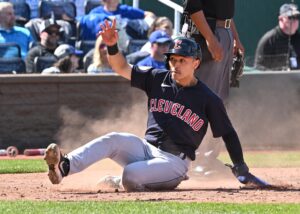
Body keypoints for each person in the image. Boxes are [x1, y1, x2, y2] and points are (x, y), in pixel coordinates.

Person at [43, 19, 269, 192]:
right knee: (113, 138)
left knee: (130, 175)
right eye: (173, 59)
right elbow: (122, 68)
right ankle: (64, 167)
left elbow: (228, 133)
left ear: (196, 63)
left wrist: (240, 167)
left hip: (173, 162)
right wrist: (112, 47)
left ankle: (124, 181)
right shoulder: (157, 77)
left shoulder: (207, 98)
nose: (176, 64)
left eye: (183, 60)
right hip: (145, 149)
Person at [182, 0, 244, 176]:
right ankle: (196, 161)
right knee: (201, 103)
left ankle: (208, 159)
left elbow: (223, 11)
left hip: (222, 31)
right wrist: (210, 39)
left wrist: (235, 38)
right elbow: (194, 7)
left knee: (218, 103)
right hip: (206, 34)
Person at [254, 3, 300, 71]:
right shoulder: (269, 40)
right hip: (276, 80)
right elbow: (258, 67)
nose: (295, 21)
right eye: (291, 17)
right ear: (281, 19)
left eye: (297, 17)